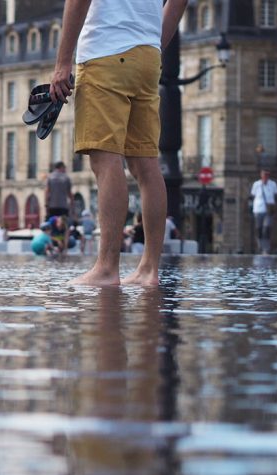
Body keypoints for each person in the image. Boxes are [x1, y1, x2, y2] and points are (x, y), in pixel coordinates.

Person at [51, 0, 186, 287]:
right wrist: (152, 43)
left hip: (105, 50)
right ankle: (149, 269)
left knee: (105, 159)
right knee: (146, 164)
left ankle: (107, 267)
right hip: (148, 57)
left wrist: (63, 62)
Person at [250, 169, 277, 255]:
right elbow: (253, 195)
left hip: (269, 210)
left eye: (267, 175)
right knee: (259, 229)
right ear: (261, 175)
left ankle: (266, 248)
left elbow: (276, 195)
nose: (265, 176)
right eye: (264, 175)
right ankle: (260, 246)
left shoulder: (273, 184)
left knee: (266, 228)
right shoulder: (256, 184)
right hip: (258, 209)